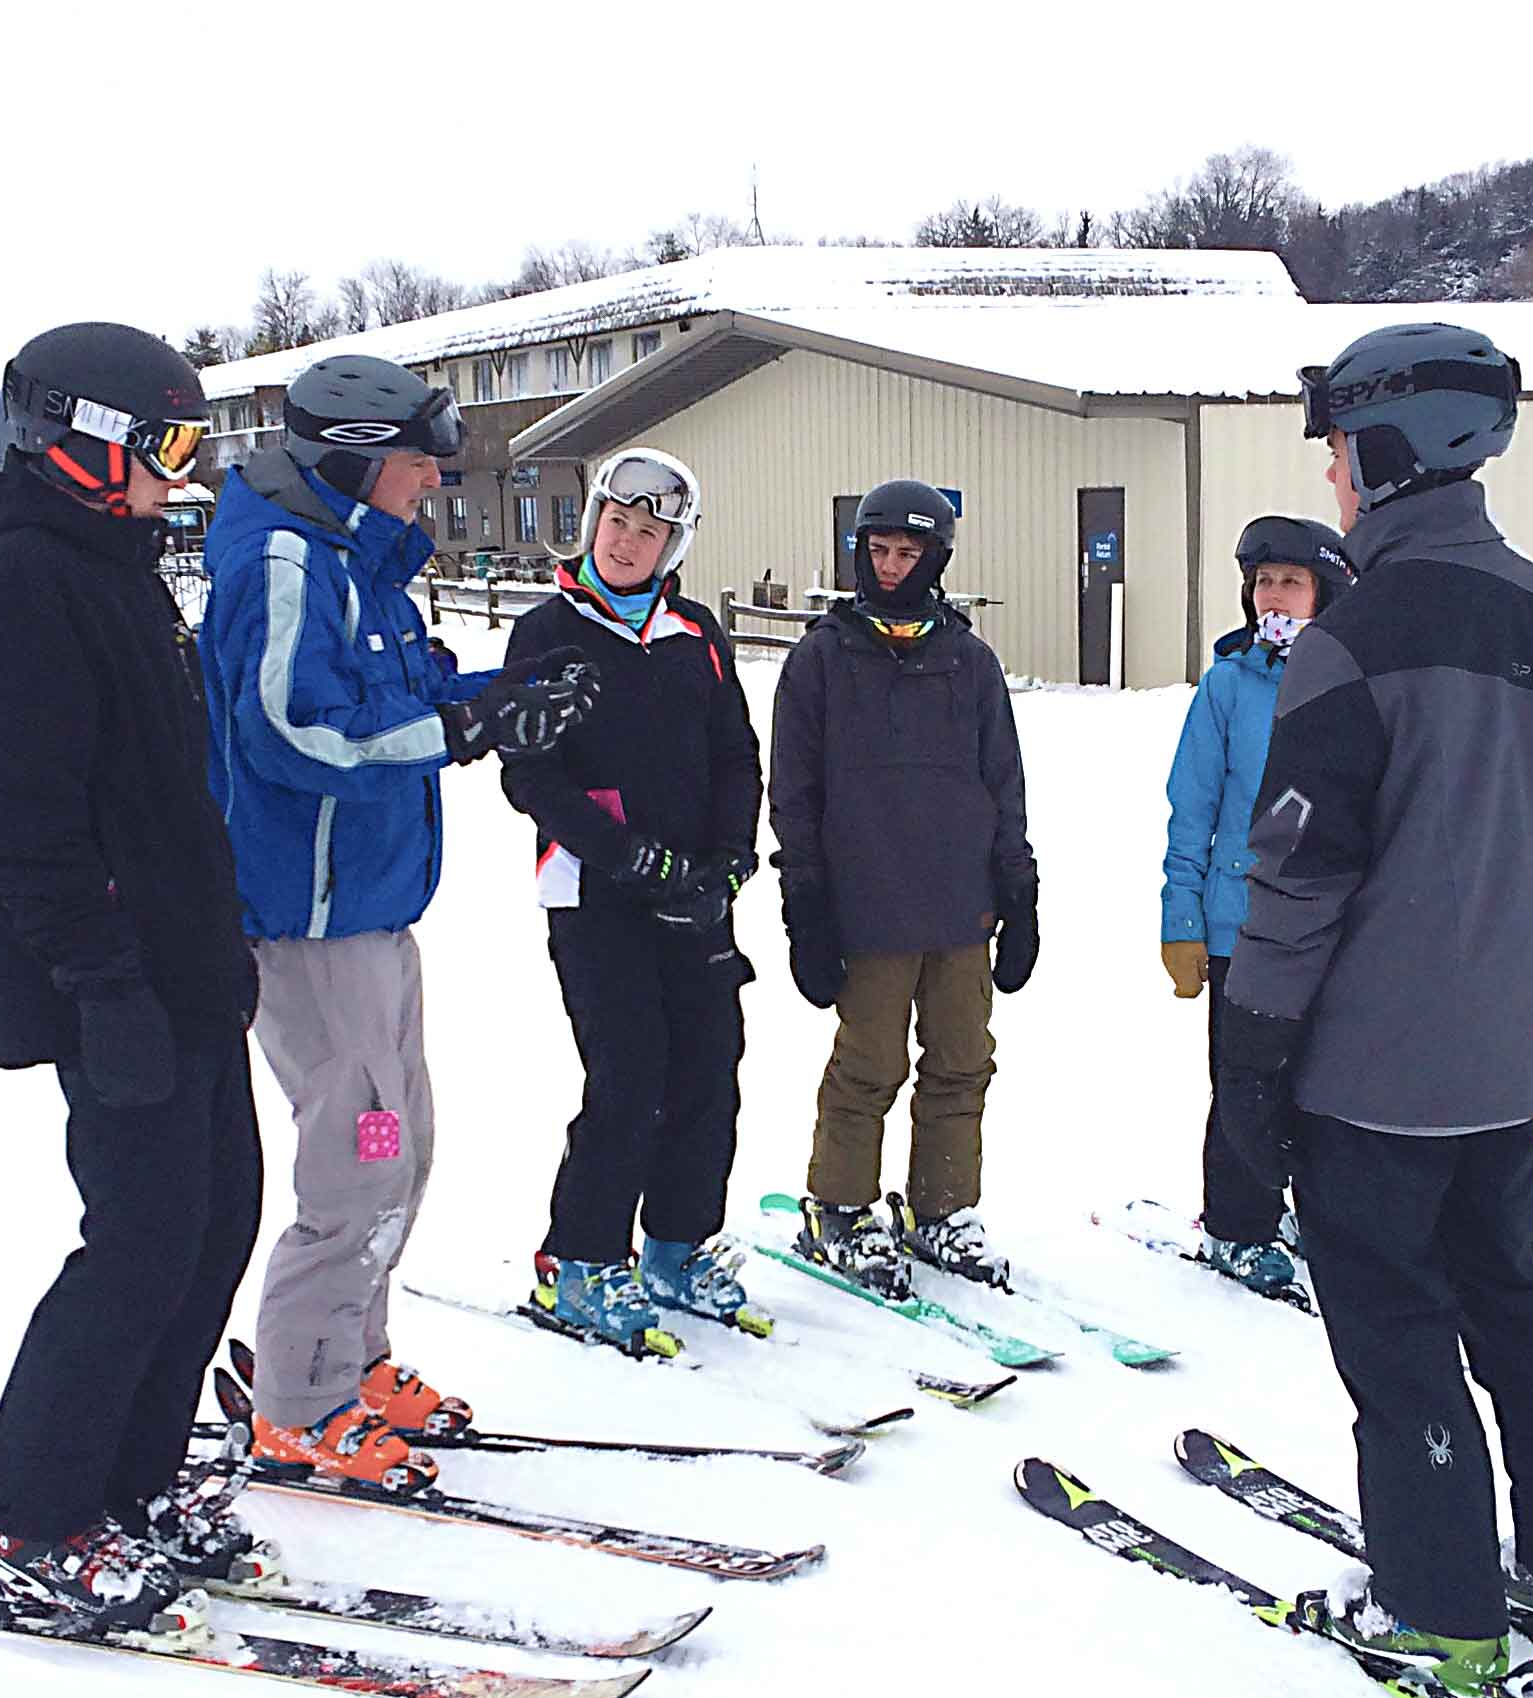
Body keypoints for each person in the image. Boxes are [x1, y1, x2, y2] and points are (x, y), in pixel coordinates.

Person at [1217, 322, 1533, 1698]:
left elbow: (1300, 873)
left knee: (1395, 1321)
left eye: (1340, 452)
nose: (1332, 479)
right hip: (1514, 1052)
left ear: (1389, 453)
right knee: (1515, 1292)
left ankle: (1440, 1608)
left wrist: (1252, 1051)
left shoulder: (1353, 638)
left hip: (1376, 1069)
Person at [200, 353, 595, 1487]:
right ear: (355, 459)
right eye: (420, 462)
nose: (433, 481)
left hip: (371, 912)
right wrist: (459, 733)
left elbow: (396, 692)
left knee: (400, 1146)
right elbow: (292, 731)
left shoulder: (355, 560)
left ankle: (352, 1360)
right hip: (312, 925)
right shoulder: (284, 561)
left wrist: (493, 701)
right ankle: (302, 1398)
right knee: (356, 1161)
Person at [0, 321, 271, 1637]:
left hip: (183, 969)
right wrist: (100, 978)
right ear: (79, 441)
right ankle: (33, 1519)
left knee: (216, 1222)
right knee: (138, 1245)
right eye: (163, 444)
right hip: (113, 983)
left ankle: (128, 1484)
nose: (178, 473)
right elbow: (20, 825)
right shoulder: (28, 587)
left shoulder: (122, 572)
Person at [497, 449, 763, 1351]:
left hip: (693, 892)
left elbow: (735, 754)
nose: (626, 542)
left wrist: (728, 860)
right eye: (617, 523)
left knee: (709, 1068)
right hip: (595, 894)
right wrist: (626, 855)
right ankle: (581, 1258)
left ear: (671, 546)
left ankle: (677, 1246)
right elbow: (530, 774)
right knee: (630, 1074)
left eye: (648, 531)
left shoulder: (695, 634)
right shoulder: (548, 631)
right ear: (593, 524)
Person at [770, 480, 1038, 1298]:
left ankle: (942, 1206)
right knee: (869, 1066)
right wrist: (806, 902)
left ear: (936, 559)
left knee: (962, 1061)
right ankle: (840, 1207)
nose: (891, 567)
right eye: (879, 551)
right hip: (868, 907)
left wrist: (1019, 889)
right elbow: (794, 792)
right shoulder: (822, 659)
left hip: (961, 905)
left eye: (908, 553)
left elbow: (1003, 782)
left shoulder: (969, 661)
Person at [1160, 515, 1351, 1297]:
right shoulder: (1228, 687)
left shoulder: (1348, 680)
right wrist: (1181, 920)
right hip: (1240, 925)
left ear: (1323, 593)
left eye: (1290, 582)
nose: (1273, 595)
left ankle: (1303, 1206)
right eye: (1263, 582)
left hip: (1329, 925)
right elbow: (1192, 808)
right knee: (1245, 1083)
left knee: (1321, 1082)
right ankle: (1238, 1223)